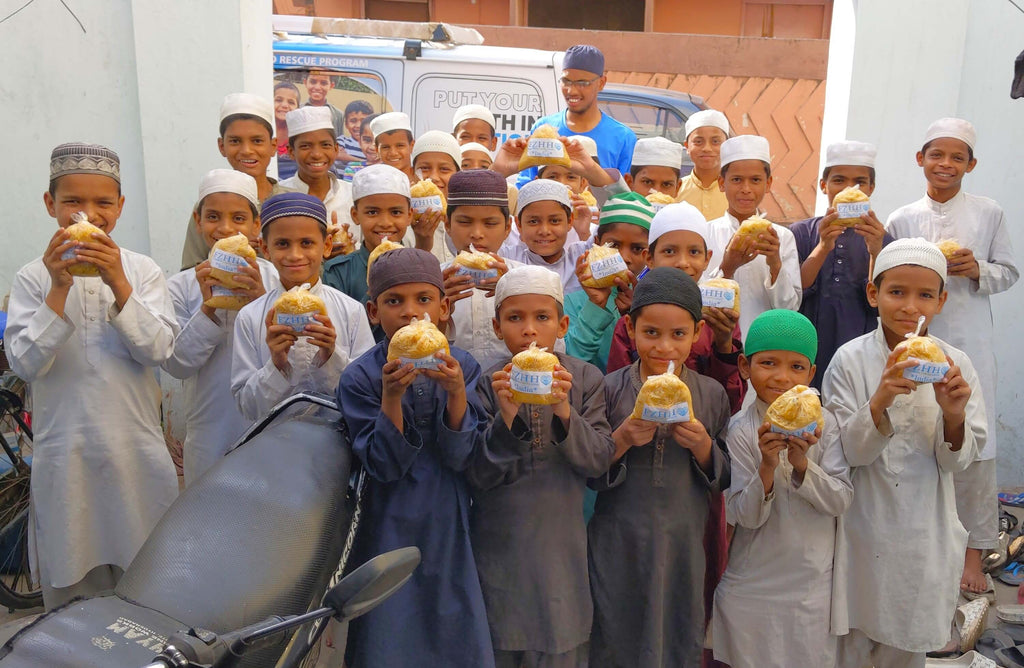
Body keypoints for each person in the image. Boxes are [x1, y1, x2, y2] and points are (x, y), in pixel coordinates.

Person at [7, 143, 179, 609]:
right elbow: (25, 363)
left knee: (146, 588)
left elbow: (160, 348)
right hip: (67, 462)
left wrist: (118, 282)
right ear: (51, 206)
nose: (89, 214)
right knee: (71, 599)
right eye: (73, 203)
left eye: (104, 203)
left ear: (120, 208)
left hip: (135, 457)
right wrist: (58, 287)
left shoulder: (142, 272)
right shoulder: (32, 278)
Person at [824, 238, 985, 668]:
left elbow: (960, 461)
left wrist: (953, 415)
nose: (910, 306)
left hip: (925, 531)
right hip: (862, 526)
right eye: (896, 292)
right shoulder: (849, 360)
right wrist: (879, 401)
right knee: (852, 646)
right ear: (873, 295)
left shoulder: (958, 365)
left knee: (907, 645)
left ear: (941, 301)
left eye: (925, 295)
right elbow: (848, 455)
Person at [339, 248, 494, 668]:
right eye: (394, 301)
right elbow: (383, 465)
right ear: (373, 311)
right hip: (388, 515)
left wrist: (457, 391)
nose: (411, 313)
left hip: (448, 513)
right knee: (390, 621)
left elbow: (465, 456)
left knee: (451, 611)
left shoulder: (462, 365)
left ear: (444, 308)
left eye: (424, 299)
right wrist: (392, 396)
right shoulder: (361, 376)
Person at [886, 118, 1018, 597]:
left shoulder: (989, 213)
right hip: (918, 339)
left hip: (973, 341)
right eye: (936, 155)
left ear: (971, 164)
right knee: (920, 435)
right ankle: (917, 540)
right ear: (919, 159)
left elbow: (1009, 273)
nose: (945, 165)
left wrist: (978, 268)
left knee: (974, 443)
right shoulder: (901, 218)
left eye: (956, 157)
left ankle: (973, 553)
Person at [469, 265, 615, 668]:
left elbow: (598, 463)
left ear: (562, 324)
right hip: (501, 552)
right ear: (498, 328)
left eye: (542, 318)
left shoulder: (584, 379)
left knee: (562, 643)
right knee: (499, 642)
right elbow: (478, 474)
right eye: (515, 318)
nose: (530, 331)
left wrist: (564, 410)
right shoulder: (487, 384)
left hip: (562, 555)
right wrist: (507, 417)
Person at [588, 267, 731, 668]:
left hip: (684, 540)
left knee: (679, 631)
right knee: (616, 629)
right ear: (630, 328)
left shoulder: (710, 394)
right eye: (651, 333)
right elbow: (590, 470)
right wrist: (623, 438)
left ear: (698, 332)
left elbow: (724, 477)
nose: (664, 347)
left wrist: (702, 445)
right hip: (620, 537)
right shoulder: (609, 388)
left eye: (678, 334)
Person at [712, 310, 852, 668]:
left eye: (796, 367)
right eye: (768, 362)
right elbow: (744, 515)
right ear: (744, 366)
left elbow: (840, 499)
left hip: (811, 582)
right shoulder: (741, 430)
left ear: (811, 373)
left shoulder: (828, 424)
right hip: (753, 580)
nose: (782, 377)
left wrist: (804, 465)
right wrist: (767, 466)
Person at [164, 170, 280, 485]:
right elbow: (177, 364)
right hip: (208, 433)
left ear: (256, 226)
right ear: (198, 221)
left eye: (239, 218)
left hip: (267, 428)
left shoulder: (277, 282)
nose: (225, 228)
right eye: (213, 217)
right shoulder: (180, 286)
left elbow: (291, 359)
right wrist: (208, 308)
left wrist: (259, 301)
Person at [230, 193, 373, 421]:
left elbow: (368, 393)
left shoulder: (351, 311)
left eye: (306, 243)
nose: (295, 255)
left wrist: (331, 355)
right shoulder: (251, 317)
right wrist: (276, 364)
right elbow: (247, 407)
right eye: (282, 244)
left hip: (340, 445)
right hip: (275, 444)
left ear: (326, 245)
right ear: (265, 249)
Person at [608, 203, 745, 413]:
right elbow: (616, 397)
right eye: (669, 251)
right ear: (649, 258)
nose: (682, 262)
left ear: (707, 258)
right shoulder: (636, 319)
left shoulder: (720, 318)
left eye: (694, 252)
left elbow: (728, 405)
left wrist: (724, 344)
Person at [790, 141, 892, 389]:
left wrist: (875, 249)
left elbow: (880, 301)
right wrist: (824, 246)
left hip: (858, 342)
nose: (849, 188)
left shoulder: (883, 238)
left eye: (859, 182)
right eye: (839, 180)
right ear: (824, 185)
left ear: (871, 188)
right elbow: (795, 291)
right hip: (807, 343)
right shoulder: (801, 232)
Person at [704, 134, 801, 337]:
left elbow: (790, 308)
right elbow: (698, 301)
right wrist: (727, 268)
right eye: (737, 180)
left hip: (765, 344)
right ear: (722, 183)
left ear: (768, 184)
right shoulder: (704, 233)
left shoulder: (782, 237)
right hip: (716, 345)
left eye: (755, 180)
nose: (746, 189)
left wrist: (775, 264)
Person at [516, 45, 637, 188]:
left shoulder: (623, 137)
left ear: (601, 83)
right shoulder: (544, 129)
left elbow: (625, 196)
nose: (571, 90)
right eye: (566, 81)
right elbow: (525, 185)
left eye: (582, 83)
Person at [181, 93, 277, 270]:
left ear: (273, 146)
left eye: (257, 141)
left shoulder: (290, 200)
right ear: (221, 146)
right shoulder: (207, 204)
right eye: (235, 141)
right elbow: (191, 271)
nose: (247, 150)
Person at [440, 169, 523, 372]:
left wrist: (516, 296)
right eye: (465, 222)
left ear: (507, 227)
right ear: (448, 225)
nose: (477, 234)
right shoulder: (432, 280)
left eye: (490, 223)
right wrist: (436, 306)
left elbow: (553, 348)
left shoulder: (527, 279)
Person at [564, 192, 654, 372]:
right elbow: (571, 362)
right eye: (613, 246)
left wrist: (634, 314)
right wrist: (595, 306)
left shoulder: (653, 302)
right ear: (596, 243)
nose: (624, 257)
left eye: (637, 249)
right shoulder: (573, 302)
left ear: (649, 254)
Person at [323, 163, 427, 318]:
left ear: (409, 215)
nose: (385, 222)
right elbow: (340, 327)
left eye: (396, 212)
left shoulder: (422, 266)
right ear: (355, 215)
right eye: (372, 212)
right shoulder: (339, 271)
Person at [275, 106, 356, 244]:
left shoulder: (353, 195)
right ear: (291, 152)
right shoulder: (278, 196)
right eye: (305, 146)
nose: (317, 154)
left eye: (325, 145)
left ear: (336, 149)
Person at [501, 179, 592, 294]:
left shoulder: (580, 257)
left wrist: (583, 233)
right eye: (533, 221)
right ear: (519, 225)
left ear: (570, 221)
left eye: (554, 221)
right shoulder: (507, 258)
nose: (544, 231)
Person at [412, 130, 462, 264]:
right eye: (424, 168)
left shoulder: (467, 217)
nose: (433, 177)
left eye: (444, 169)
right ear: (413, 173)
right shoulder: (402, 221)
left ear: (458, 174)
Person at [676, 110, 731, 220]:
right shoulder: (676, 190)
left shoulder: (736, 191)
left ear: (727, 145)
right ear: (687, 146)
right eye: (698, 141)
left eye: (715, 141)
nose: (707, 148)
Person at [371, 111, 416, 184]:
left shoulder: (423, 179)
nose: (393, 153)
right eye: (386, 147)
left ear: (411, 146)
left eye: (400, 146)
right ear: (377, 150)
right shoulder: (374, 184)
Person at [302, 70, 346, 139]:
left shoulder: (338, 115)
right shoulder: (296, 110)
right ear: (305, 82)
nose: (317, 87)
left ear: (331, 86)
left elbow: (339, 142)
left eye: (323, 83)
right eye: (313, 82)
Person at [273, 81, 301, 180]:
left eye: (291, 102)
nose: (284, 105)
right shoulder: (262, 134)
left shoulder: (300, 137)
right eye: (279, 100)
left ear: (298, 108)